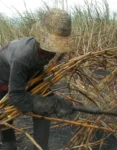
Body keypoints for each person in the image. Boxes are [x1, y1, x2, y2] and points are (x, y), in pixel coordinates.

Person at [0, 8, 74, 150]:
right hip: (2, 77)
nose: (52, 52)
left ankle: (40, 147)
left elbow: (38, 78)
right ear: (42, 39)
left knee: (43, 109)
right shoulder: (23, 58)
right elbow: (16, 95)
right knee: (5, 116)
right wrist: (51, 104)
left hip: (24, 74)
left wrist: (52, 99)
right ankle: (9, 143)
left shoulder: (48, 52)